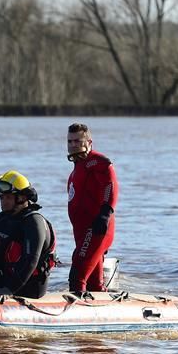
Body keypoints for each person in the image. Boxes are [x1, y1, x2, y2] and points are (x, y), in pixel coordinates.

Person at [0, 171, 56, 301]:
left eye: (7, 197)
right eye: (1, 198)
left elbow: (30, 261)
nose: (3, 202)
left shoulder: (34, 223)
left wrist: (9, 290)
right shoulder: (0, 219)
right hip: (4, 278)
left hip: (29, 286)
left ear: (22, 197)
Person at [66, 122, 118, 293]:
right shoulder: (76, 170)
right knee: (94, 285)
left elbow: (110, 184)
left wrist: (105, 213)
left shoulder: (95, 162)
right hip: (82, 234)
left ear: (89, 143)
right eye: (70, 141)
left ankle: (76, 309)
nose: (73, 145)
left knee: (77, 275)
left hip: (96, 229)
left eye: (78, 141)